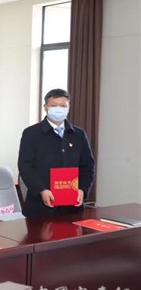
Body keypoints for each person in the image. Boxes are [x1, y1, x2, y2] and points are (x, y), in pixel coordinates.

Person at [17, 88, 95, 218]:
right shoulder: (31, 133)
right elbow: (25, 166)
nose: (58, 109)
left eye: (63, 106)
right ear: (45, 107)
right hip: (40, 208)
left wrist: (82, 189)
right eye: (53, 105)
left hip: (72, 207)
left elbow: (88, 166)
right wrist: (41, 190)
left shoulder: (78, 134)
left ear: (69, 107)